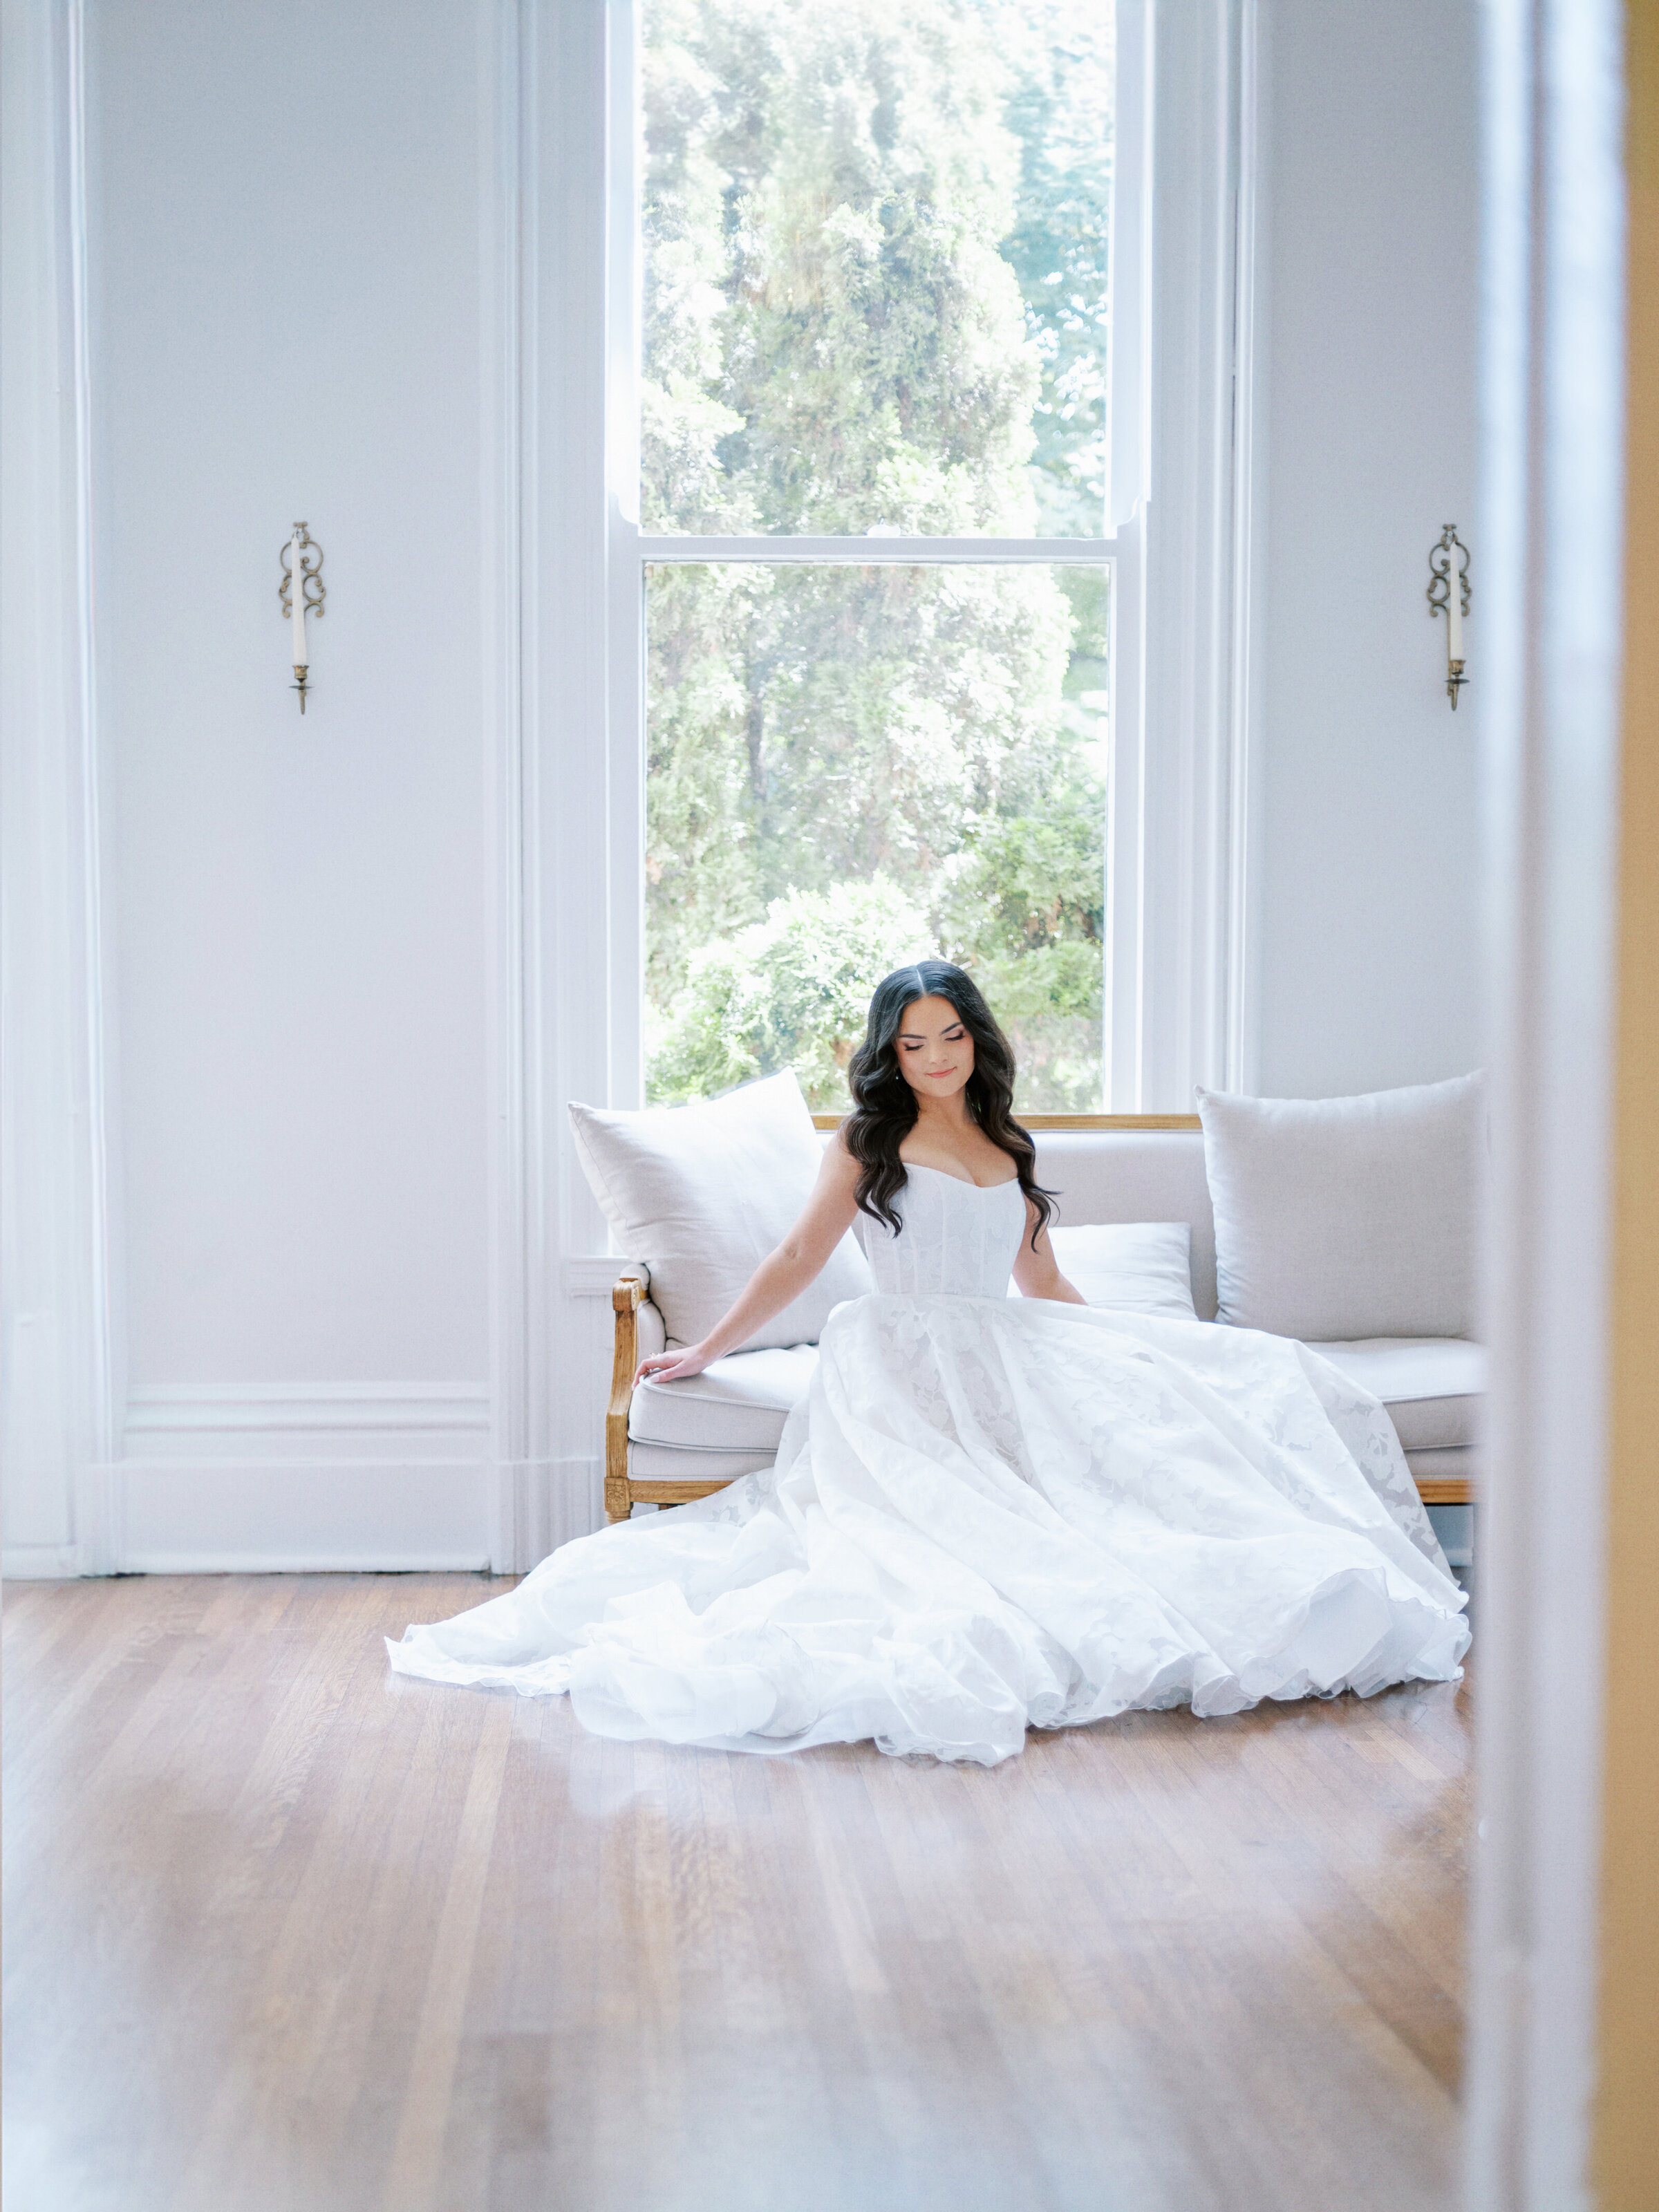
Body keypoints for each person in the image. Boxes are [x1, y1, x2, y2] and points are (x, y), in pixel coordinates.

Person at [388, 962, 1469, 1765]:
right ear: (889, 1054)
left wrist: (1138, 1343)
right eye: (915, 1043)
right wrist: (705, 1347)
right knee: (932, 1546)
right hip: (900, 1361)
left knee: (1163, 1461)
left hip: (1004, 1349)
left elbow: (1040, 1282)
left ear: (975, 1038)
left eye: (950, 1035)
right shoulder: (866, 1138)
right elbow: (801, 1253)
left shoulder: (1008, 1144)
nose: (937, 1057)